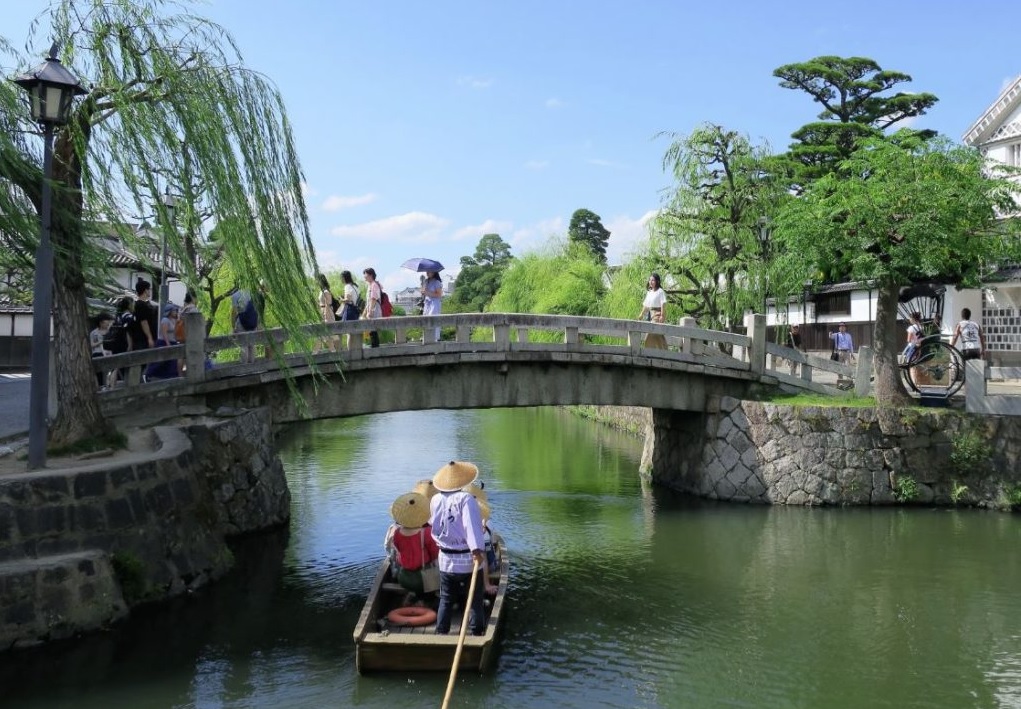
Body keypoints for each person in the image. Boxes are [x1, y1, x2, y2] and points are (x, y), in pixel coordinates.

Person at [429, 460, 487, 636]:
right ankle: (477, 632)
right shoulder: (466, 499)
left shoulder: (435, 499)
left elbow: (434, 526)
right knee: (475, 600)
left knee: (445, 599)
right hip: (468, 559)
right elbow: (472, 527)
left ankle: (441, 633)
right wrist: (477, 551)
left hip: (446, 559)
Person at [384, 492, 440, 602]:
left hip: (404, 577)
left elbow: (397, 550)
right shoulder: (427, 532)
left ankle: (413, 596)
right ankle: (424, 601)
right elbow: (435, 555)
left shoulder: (397, 533)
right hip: (423, 578)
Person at [106, 296, 135, 388]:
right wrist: (130, 344)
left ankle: (109, 385)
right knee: (118, 366)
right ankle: (114, 387)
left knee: (114, 365)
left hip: (115, 342)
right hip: (123, 342)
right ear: (129, 305)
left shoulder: (117, 316)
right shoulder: (129, 317)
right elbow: (128, 331)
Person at [145, 303, 180, 380]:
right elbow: (164, 333)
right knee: (159, 360)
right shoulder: (165, 320)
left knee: (172, 361)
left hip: (173, 342)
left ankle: (170, 376)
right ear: (170, 311)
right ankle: (148, 374)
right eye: (174, 310)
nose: (175, 312)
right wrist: (168, 344)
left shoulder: (174, 320)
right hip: (164, 342)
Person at [639, 273, 668, 349]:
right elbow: (646, 306)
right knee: (657, 335)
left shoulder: (660, 291)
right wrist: (641, 314)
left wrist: (662, 315)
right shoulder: (650, 292)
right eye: (650, 280)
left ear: (657, 281)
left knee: (650, 334)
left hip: (658, 315)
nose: (650, 282)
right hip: (652, 315)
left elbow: (663, 304)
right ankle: (663, 351)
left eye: (653, 280)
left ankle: (649, 351)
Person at [131, 278, 159, 351]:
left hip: (146, 337)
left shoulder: (146, 304)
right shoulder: (140, 305)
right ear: (145, 290)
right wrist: (149, 338)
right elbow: (144, 322)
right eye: (149, 289)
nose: (150, 291)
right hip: (143, 339)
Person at [231, 288, 258, 363]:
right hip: (253, 322)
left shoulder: (235, 295)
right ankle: (252, 366)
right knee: (252, 344)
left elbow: (234, 312)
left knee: (243, 345)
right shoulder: (253, 293)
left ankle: (244, 367)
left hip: (241, 323)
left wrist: (233, 326)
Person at [89, 312, 114, 389]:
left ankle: (110, 384)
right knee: (98, 371)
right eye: (106, 322)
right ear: (100, 322)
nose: (107, 324)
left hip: (109, 353)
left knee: (110, 370)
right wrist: (101, 341)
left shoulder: (111, 331)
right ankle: (100, 386)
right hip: (98, 353)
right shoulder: (94, 333)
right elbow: (92, 345)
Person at [316, 273, 339, 353]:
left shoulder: (326, 291)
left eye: (317, 280)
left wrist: (326, 316)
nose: (316, 281)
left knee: (326, 333)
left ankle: (316, 351)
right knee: (329, 334)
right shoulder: (321, 291)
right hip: (323, 312)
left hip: (327, 312)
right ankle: (334, 351)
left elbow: (328, 304)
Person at [362, 267, 381, 348]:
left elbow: (373, 298)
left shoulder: (374, 285)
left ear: (370, 275)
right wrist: (365, 312)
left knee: (373, 327)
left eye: (365, 274)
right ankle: (374, 345)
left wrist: (370, 311)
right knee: (371, 328)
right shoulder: (370, 285)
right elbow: (368, 300)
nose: (364, 276)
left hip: (374, 308)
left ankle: (375, 346)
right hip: (371, 308)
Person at [422, 270, 444, 342]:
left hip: (434, 303)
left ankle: (435, 338)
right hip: (427, 303)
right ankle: (426, 337)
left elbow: (439, 295)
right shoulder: (426, 281)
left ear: (434, 272)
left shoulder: (437, 282)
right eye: (427, 271)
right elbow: (424, 292)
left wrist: (428, 293)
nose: (427, 273)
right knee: (425, 319)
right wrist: (423, 291)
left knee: (433, 319)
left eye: (429, 271)